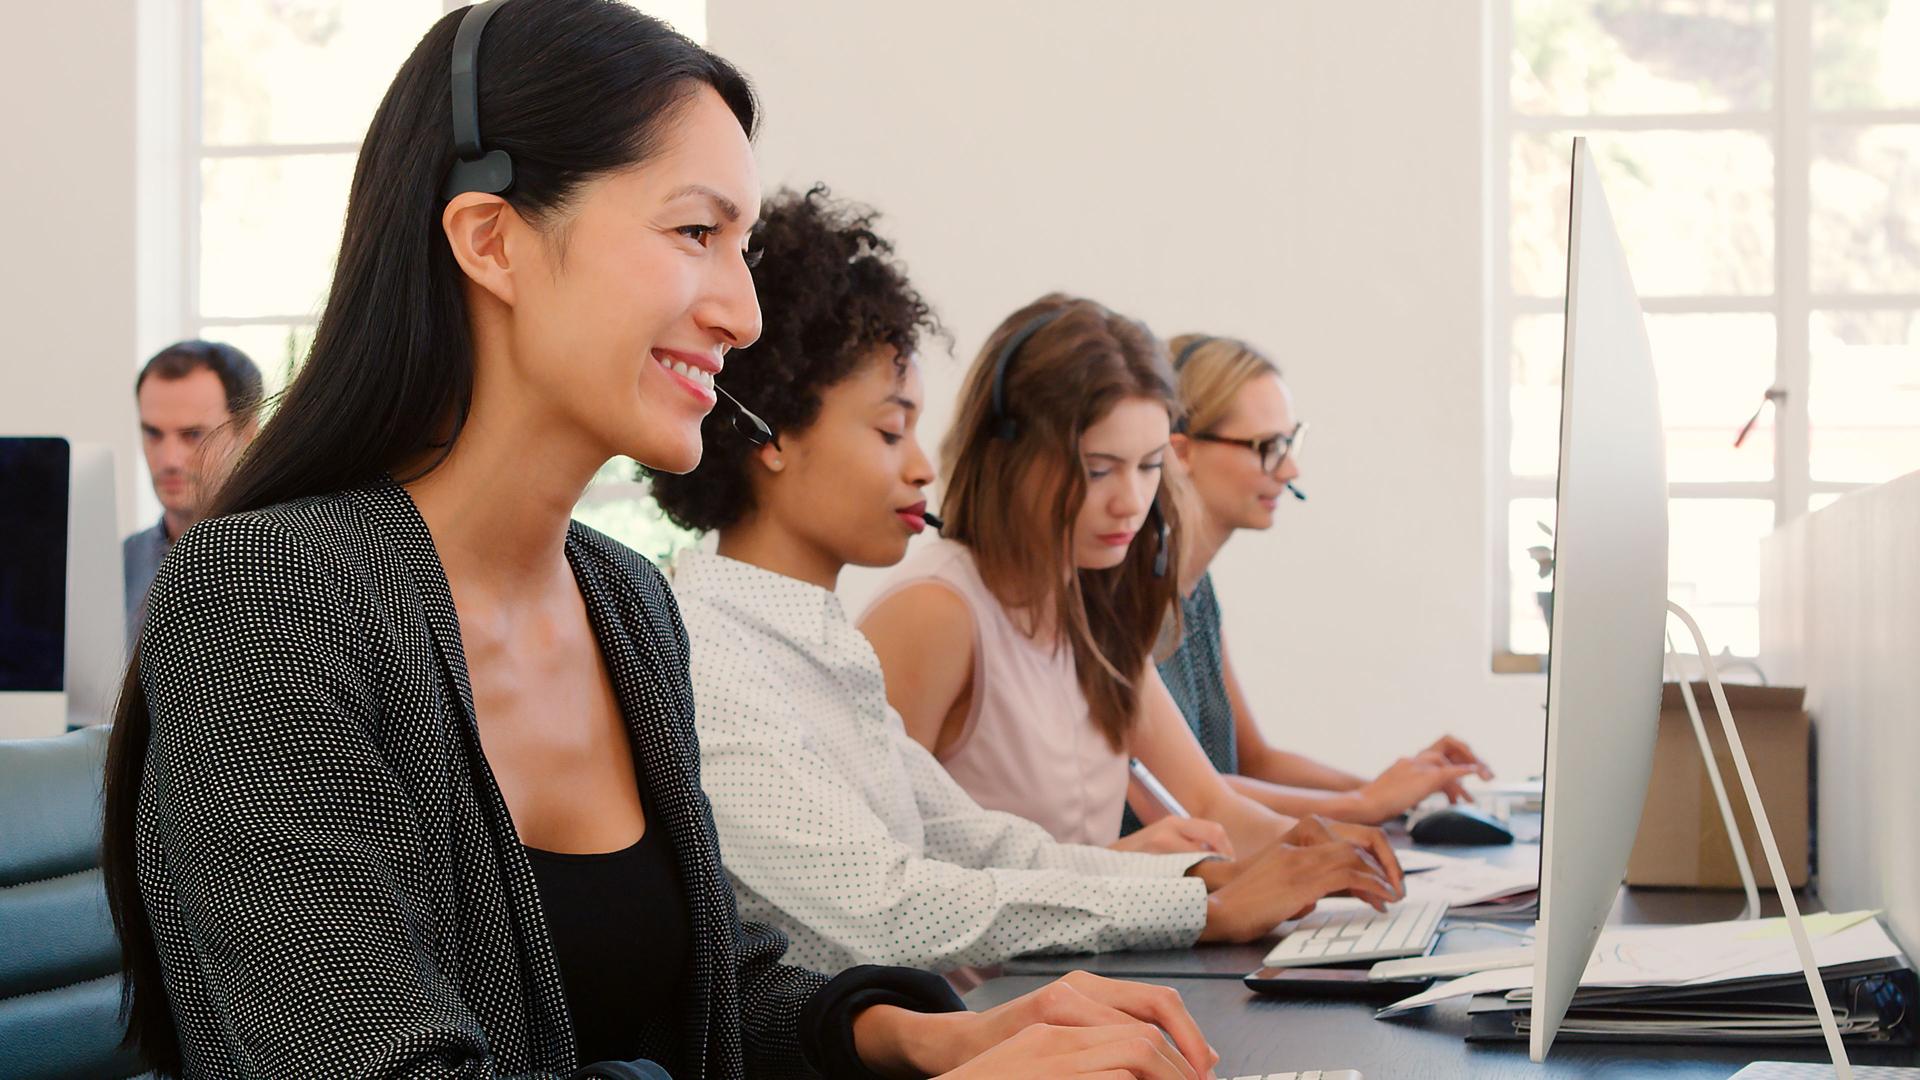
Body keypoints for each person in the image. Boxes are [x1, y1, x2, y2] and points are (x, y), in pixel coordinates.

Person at [99, 6, 1217, 1079]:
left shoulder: (623, 601)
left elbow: (698, 996)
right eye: (696, 232)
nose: (744, 311)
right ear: (491, 241)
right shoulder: (268, 601)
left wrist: (925, 1042)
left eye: (743, 246)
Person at [651, 186, 1389, 979]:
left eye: (1145, 468)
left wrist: (1199, 878)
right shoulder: (710, 652)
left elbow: (982, 845)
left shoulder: (821, 646)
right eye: (890, 430)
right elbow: (889, 902)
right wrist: (1202, 907)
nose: (922, 465)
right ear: (772, 434)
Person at [858, 294, 1404, 892]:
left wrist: (1332, 848)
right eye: (1098, 469)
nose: (1130, 502)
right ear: (1007, 454)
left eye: (1148, 466)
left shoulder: (1092, 606)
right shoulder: (936, 610)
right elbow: (879, 875)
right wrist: (1118, 868)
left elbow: (1209, 802)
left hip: (1092, 975)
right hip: (991, 987)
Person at [1139, 334, 1492, 829]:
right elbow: (1195, 790)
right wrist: (1363, 805)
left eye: (1290, 440)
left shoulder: (1196, 591)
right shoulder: (1130, 597)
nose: (1290, 468)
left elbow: (1254, 760)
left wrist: (1390, 789)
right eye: (1268, 447)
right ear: (1180, 452)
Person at [123, 339, 262, 641]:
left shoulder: (280, 563)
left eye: (193, 435)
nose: (169, 460)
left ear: (249, 433)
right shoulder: (117, 567)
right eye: (153, 434)